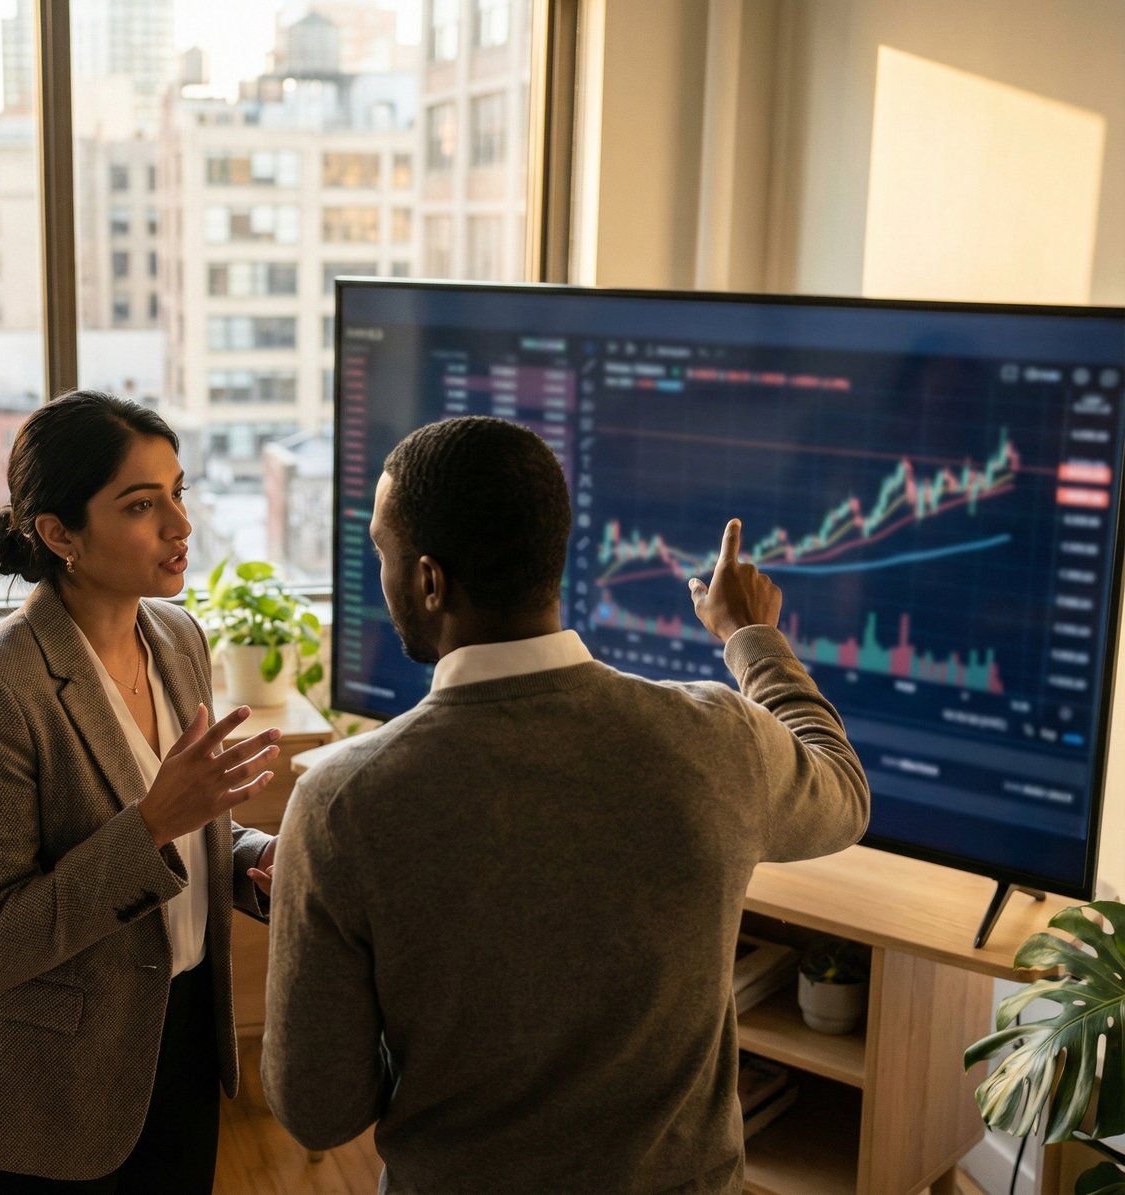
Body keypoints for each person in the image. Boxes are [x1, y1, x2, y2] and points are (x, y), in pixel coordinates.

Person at [261, 415, 870, 1193]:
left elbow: (318, 1110)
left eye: (382, 551)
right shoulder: (718, 739)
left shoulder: (340, 803)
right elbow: (845, 792)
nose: (380, 574)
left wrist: (380, 990)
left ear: (428, 580)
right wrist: (751, 636)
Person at [0, 390, 283, 1193]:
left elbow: (186, 833)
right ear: (58, 533)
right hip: (35, 1092)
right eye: (143, 505)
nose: (180, 526)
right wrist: (149, 825)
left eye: (178, 492)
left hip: (174, 1049)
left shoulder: (178, 638)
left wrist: (256, 857)